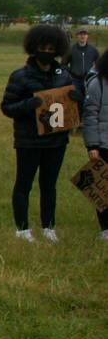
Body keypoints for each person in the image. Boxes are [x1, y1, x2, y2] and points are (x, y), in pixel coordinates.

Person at [1, 24, 82, 242]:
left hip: (56, 140)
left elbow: (74, 107)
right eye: (42, 47)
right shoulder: (19, 76)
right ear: (33, 48)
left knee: (49, 185)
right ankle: (22, 229)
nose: (46, 51)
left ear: (57, 49)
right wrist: (29, 104)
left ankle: (48, 226)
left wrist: (76, 99)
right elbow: (7, 107)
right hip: (28, 140)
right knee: (24, 183)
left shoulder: (63, 75)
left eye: (51, 47)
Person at [78, 49, 108, 240]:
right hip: (103, 143)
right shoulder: (98, 84)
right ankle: (105, 228)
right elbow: (90, 116)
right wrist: (92, 146)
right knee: (102, 187)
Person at [63, 28, 100, 99]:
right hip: (75, 80)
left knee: (88, 99)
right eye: (80, 34)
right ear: (77, 36)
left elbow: (99, 63)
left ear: (87, 36)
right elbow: (63, 64)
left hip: (89, 79)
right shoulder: (71, 49)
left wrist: (95, 73)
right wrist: (69, 73)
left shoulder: (93, 50)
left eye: (85, 34)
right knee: (76, 99)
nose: (82, 36)